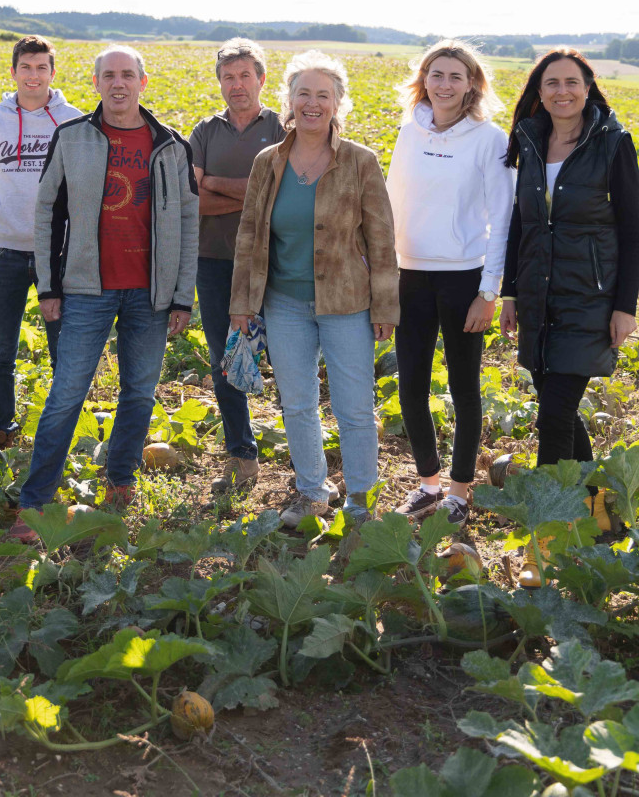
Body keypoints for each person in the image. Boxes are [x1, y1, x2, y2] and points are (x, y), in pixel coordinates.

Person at [10, 45, 199, 541]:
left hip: (150, 295)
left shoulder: (172, 146)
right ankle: (35, 504)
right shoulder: (71, 137)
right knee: (66, 394)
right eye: (109, 75)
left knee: (139, 392)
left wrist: (182, 295)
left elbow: (186, 221)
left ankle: (119, 483)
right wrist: (48, 285)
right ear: (96, 83)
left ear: (142, 81)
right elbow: (47, 212)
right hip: (85, 291)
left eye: (127, 75)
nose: (119, 83)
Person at [229, 49, 399, 528]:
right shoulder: (269, 162)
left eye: (323, 95)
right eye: (303, 93)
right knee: (298, 403)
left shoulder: (361, 161)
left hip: (347, 304)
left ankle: (362, 499)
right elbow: (249, 234)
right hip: (283, 304)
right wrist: (242, 302)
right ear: (289, 99)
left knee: (354, 407)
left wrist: (386, 304)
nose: (312, 103)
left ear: (337, 103)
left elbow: (382, 240)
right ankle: (311, 491)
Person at [500, 49, 639, 587]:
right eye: (552, 82)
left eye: (572, 83)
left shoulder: (613, 142)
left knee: (553, 417)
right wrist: (511, 293)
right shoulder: (531, 142)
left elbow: (632, 230)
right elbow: (521, 223)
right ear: (539, 90)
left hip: (591, 296)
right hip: (539, 296)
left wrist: (626, 305)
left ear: (588, 88)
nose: (562, 91)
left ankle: (547, 542)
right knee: (555, 405)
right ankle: (604, 509)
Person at [386, 40, 514, 531]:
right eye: (436, 74)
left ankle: (460, 491)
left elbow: (501, 220)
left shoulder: (489, 139)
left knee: (464, 387)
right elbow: (392, 202)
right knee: (411, 386)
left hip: (463, 278)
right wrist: (381, 268)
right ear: (424, 79)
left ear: (472, 85)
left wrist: (488, 292)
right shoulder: (408, 131)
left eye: (455, 76)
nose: (444, 84)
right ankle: (428, 484)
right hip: (408, 275)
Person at [0, 36, 82, 449]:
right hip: (4, 253)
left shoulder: (72, 120)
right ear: (13, 71)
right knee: (0, 349)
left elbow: (86, 185)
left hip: (61, 254)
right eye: (26, 67)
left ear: (52, 72)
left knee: (63, 351)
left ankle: (59, 431)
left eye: (41, 68)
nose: (33, 75)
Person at [189, 38, 286, 494]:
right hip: (213, 261)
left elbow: (280, 198)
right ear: (220, 83)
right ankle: (241, 452)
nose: (237, 84)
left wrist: (215, 183)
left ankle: (303, 447)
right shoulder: (205, 131)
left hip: (274, 260)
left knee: (287, 353)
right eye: (228, 77)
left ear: (261, 79)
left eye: (245, 75)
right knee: (223, 356)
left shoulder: (283, 128)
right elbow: (194, 202)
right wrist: (251, 193)